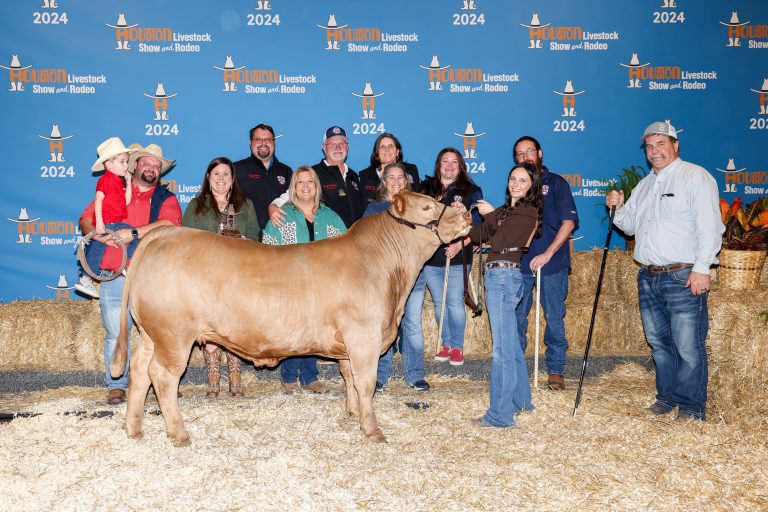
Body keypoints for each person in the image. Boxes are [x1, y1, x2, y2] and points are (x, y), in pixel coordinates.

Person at [606, 120, 724, 422]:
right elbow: (630, 226)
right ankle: (667, 396)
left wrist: (702, 269)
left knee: (687, 345)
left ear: (675, 145)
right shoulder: (645, 185)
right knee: (659, 343)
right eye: (650, 145)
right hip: (648, 275)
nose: (655, 151)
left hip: (683, 274)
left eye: (661, 144)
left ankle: (692, 407)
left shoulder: (695, 177)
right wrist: (616, 209)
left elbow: (710, 226)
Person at [79, 143, 182, 405]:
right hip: (115, 272)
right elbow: (86, 219)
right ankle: (116, 384)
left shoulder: (165, 198)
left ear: (161, 172)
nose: (152, 168)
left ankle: (162, 381)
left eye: (157, 166)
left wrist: (132, 233)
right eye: (146, 163)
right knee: (115, 329)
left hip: (150, 275)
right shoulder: (114, 188)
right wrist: (97, 233)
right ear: (134, 165)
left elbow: (170, 224)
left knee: (159, 332)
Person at [262, 165, 347, 394]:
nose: (306, 186)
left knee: (316, 332)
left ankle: (310, 378)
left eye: (310, 182)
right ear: (294, 188)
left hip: (323, 286)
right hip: (291, 285)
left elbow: (345, 253)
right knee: (296, 332)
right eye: (300, 182)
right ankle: (289, 378)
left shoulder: (331, 217)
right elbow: (268, 250)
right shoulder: (282, 216)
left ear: (316, 186)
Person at [182, 157, 261, 398]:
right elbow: (185, 240)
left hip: (239, 275)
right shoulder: (196, 205)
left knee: (234, 326)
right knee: (211, 327)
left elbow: (256, 237)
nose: (221, 179)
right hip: (207, 277)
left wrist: (247, 242)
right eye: (216, 174)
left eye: (226, 174)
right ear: (208, 177)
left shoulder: (245, 205)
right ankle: (213, 380)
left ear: (232, 178)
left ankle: (235, 379)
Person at [471, 162, 542, 428]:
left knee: (501, 350)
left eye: (523, 180)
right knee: (510, 345)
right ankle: (522, 401)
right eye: (513, 178)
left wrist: (489, 215)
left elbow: (499, 242)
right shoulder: (507, 210)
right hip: (498, 276)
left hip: (504, 277)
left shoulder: (528, 211)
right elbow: (480, 234)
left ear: (531, 186)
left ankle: (500, 415)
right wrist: (458, 220)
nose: (516, 184)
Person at [512, 135, 579, 391]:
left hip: (551, 264)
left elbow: (569, 222)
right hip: (522, 263)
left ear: (539, 153)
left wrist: (549, 253)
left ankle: (555, 370)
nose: (525, 157)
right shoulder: (518, 185)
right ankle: (517, 368)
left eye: (529, 151)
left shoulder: (557, 183)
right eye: (519, 154)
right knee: (517, 317)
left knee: (554, 317)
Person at [407, 147, 483, 368]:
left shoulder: (470, 190)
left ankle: (458, 347)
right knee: (440, 303)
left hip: (457, 256)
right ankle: (446, 344)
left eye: (454, 162)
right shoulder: (426, 188)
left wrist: (461, 243)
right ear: (438, 165)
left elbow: (478, 225)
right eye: (445, 162)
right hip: (431, 257)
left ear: (461, 166)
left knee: (455, 303)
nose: (449, 166)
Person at [361, 163, 428, 391]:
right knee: (384, 325)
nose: (397, 182)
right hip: (383, 282)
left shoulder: (416, 208)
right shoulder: (374, 209)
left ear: (407, 181)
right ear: (384, 182)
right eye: (392, 178)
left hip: (412, 279)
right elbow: (365, 244)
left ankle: (415, 374)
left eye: (401, 177)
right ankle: (380, 376)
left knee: (412, 326)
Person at [74, 137, 139, 299]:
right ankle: (88, 277)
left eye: (127, 162)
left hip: (115, 221)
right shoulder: (105, 180)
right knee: (134, 235)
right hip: (108, 221)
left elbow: (127, 201)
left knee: (99, 247)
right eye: (122, 162)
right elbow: (99, 200)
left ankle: (87, 278)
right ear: (109, 164)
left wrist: (129, 183)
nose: (126, 166)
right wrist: (100, 223)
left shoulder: (119, 182)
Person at [269, 126, 364, 229]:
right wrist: (273, 206)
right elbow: (291, 194)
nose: (338, 148)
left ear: (347, 147)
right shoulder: (314, 173)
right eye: (332, 144)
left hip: (356, 240)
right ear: (324, 147)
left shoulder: (354, 176)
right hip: (329, 239)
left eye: (342, 144)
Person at [233, 123, 292, 232]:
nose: (263, 143)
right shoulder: (236, 169)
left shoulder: (287, 171)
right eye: (258, 139)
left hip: (279, 237)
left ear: (274, 143)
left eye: (268, 139)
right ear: (250, 143)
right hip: (246, 239)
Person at [359, 132, 421, 204]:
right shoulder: (364, 176)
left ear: (397, 152)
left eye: (390, 146)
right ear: (377, 153)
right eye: (383, 147)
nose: (387, 149)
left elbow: (416, 200)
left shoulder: (411, 170)